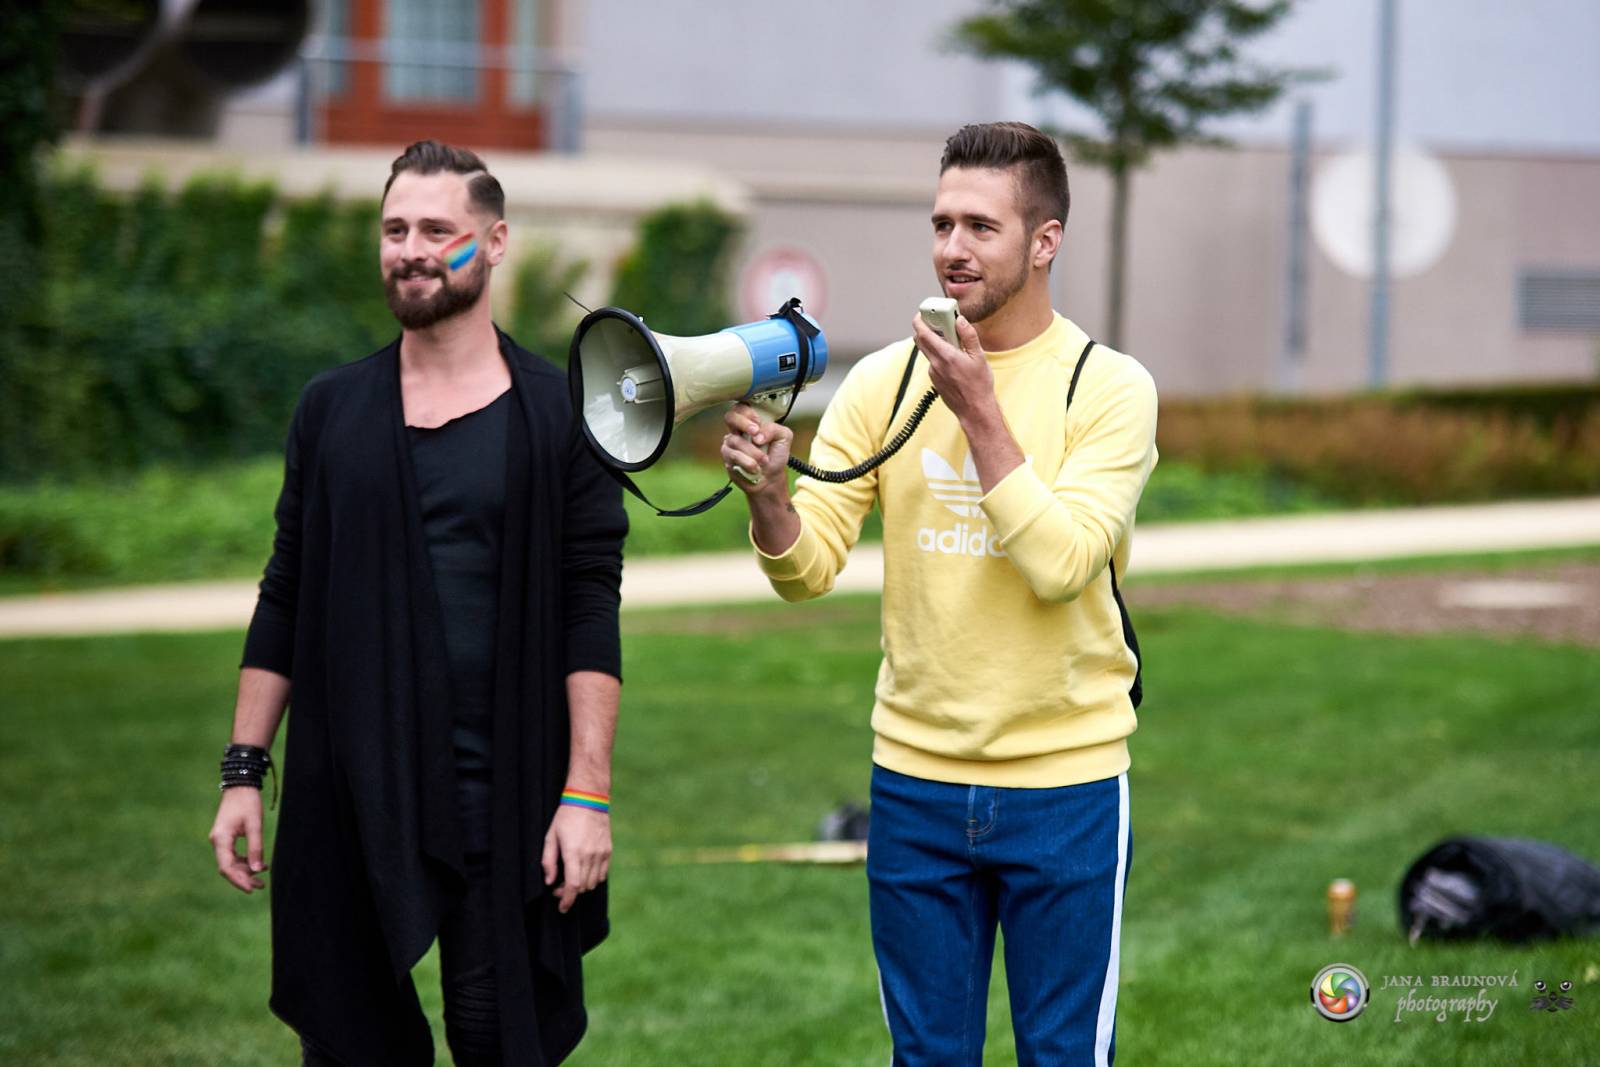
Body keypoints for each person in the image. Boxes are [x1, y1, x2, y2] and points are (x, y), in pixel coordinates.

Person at [721, 121, 1157, 1066]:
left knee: (1064, 1056)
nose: (953, 248)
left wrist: (981, 413)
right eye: (942, 222)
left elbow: (1064, 562)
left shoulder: (1110, 388)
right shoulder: (882, 380)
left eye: (981, 227)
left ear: (1045, 241)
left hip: (1066, 786)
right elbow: (808, 569)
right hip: (913, 784)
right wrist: (766, 501)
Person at [208, 140, 626, 1066]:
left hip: (506, 788)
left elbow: (590, 609)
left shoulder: (559, 416)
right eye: (395, 229)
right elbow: (285, 591)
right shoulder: (332, 411)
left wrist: (586, 792)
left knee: (495, 1032)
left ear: (495, 240)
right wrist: (244, 769)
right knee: (354, 1043)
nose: (412, 248)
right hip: (353, 786)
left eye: (440, 230)